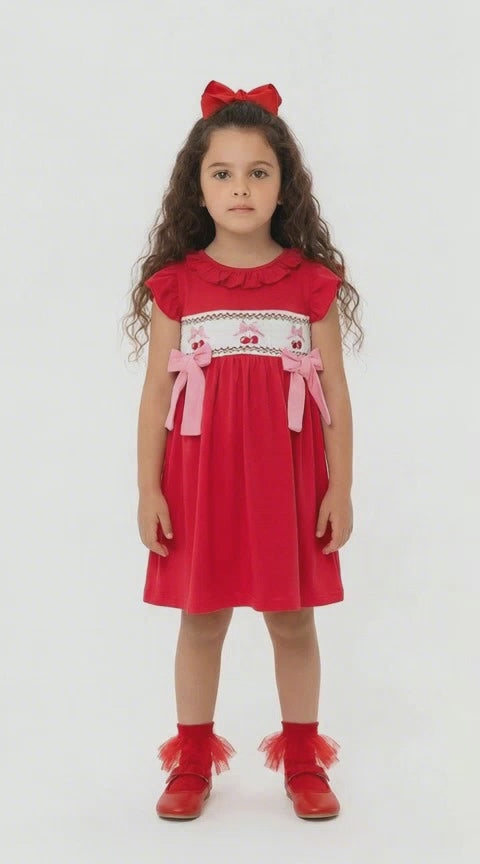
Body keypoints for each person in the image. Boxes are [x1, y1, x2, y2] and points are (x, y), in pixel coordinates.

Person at [122, 79, 363, 821]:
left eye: (258, 172)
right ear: (196, 187)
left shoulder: (311, 285)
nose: (240, 188)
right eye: (221, 173)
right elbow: (157, 397)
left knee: (293, 620)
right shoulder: (177, 286)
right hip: (201, 483)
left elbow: (334, 396)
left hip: (287, 483)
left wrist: (340, 488)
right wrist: (149, 489)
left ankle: (303, 759)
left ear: (284, 184)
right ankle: (192, 760)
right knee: (202, 620)